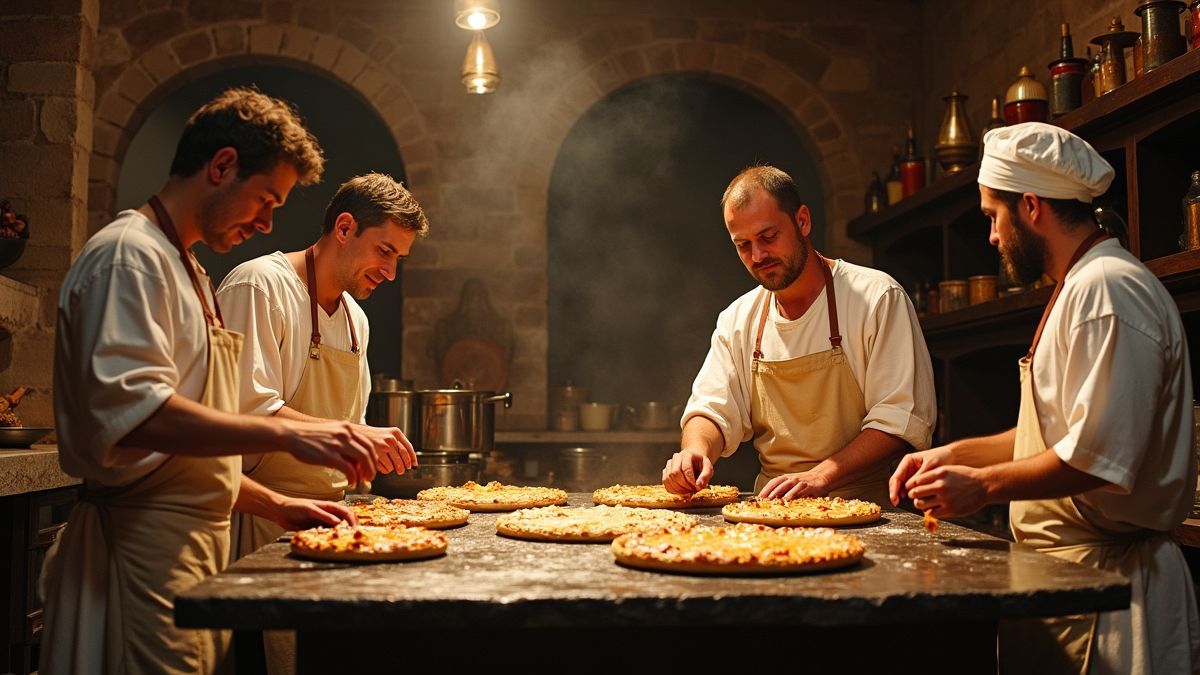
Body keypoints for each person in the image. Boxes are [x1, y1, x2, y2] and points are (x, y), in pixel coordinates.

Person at [41, 87, 401, 675]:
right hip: (139, 550)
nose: (267, 221)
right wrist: (286, 435)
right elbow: (136, 420)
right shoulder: (130, 259)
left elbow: (185, 459)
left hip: (190, 553)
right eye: (265, 198)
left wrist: (276, 503)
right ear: (222, 166)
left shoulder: (191, 274)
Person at [888, 122, 1200, 673]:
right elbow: (1052, 436)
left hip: (1109, 592)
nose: (990, 237)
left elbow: (1103, 461)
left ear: (1030, 206)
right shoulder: (1077, 285)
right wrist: (952, 456)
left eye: (992, 216)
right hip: (1068, 578)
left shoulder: (1107, 291)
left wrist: (980, 487)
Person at [663, 165, 935, 503]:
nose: (758, 256)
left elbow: (901, 419)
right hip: (771, 511)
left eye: (768, 237)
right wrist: (696, 450)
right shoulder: (738, 319)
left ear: (802, 221)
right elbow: (711, 408)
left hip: (867, 512)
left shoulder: (876, 298)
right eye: (743, 245)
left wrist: (822, 476)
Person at [219, 172, 427, 560]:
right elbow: (244, 413)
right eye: (384, 251)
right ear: (345, 228)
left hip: (332, 521)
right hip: (259, 519)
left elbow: (351, 426)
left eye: (398, 258)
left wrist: (369, 444)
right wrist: (353, 434)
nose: (391, 272)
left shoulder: (355, 320)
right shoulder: (259, 287)